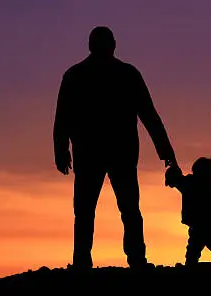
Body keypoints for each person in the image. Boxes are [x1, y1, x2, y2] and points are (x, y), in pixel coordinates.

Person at [53, 26, 177, 269]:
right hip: (119, 150)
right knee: (126, 208)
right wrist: (166, 153)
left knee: (89, 210)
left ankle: (84, 261)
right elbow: (149, 116)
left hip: (93, 151)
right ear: (114, 45)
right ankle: (135, 259)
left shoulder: (76, 75)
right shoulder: (126, 74)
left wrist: (61, 150)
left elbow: (63, 117)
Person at [165, 157, 211, 265]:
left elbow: (175, 181)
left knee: (194, 255)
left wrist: (173, 170)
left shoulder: (190, 183)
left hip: (203, 228)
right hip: (210, 227)